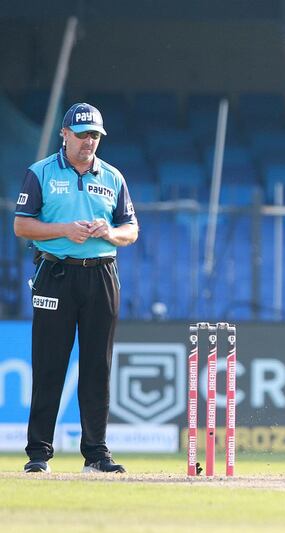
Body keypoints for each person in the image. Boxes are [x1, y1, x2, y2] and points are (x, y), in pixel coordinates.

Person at [14, 102, 138, 474]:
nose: (89, 142)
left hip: (101, 273)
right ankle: (38, 454)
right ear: (64, 134)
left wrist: (110, 233)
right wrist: (65, 229)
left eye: (95, 135)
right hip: (56, 273)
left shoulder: (113, 176)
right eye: (82, 134)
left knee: (98, 364)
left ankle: (96, 454)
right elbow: (22, 226)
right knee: (49, 362)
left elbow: (130, 230)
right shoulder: (41, 173)